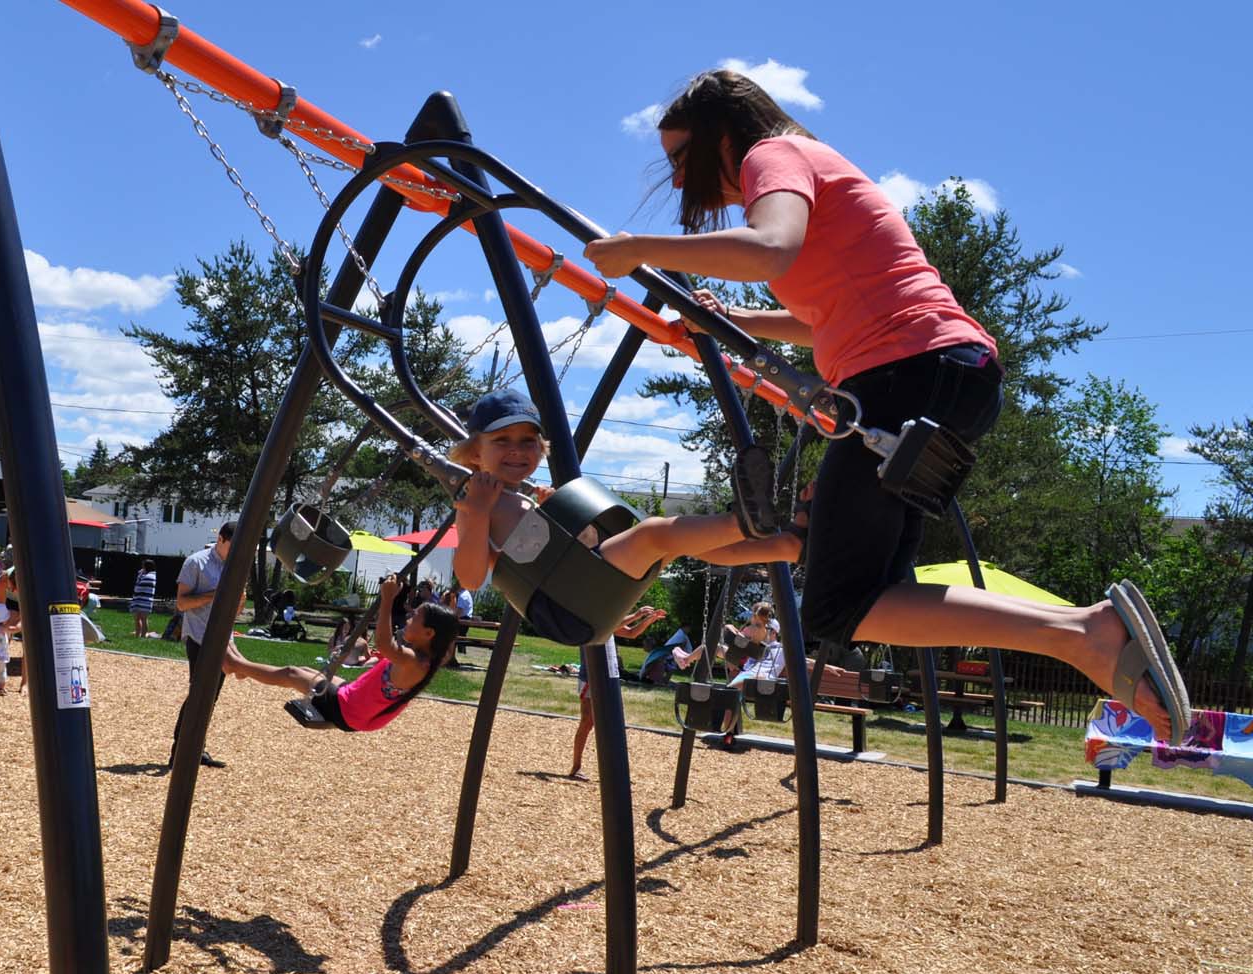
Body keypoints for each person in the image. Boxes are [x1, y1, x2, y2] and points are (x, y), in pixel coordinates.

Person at [579, 67, 1189, 740]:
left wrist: (638, 251)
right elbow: (823, 319)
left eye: (681, 160)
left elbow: (769, 249)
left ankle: (1081, 632)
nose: (677, 180)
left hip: (902, 376)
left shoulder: (769, 155)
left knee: (838, 607)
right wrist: (744, 321)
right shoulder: (818, 168)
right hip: (956, 373)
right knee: (879, 592)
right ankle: (1078, 633)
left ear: (723, 136)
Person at [451, 389, 793, 643]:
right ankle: (743, 520)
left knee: (680, 543)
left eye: (528, 441)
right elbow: (469, 577)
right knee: (652, 534)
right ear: (475, 454)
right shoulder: (476, 503)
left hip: (581, 590)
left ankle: (785, 546)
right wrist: (478, 513)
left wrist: (557, 516)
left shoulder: (519, 499)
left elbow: (567, 550)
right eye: (501, 440)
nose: (516, 449)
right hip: (563, 607)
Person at [222, 575, 460, 733]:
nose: (408, 619)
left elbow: (385, 644)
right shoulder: (429, 658)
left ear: (429, 633)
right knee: (308, 672)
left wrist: (388, 598)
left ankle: (236, 665)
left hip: (349, 710)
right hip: (353, 699)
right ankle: (244, 669)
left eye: (414, 617)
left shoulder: (415, 662)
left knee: (292, 673)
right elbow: (447, 639)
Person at [168, 521, 239, 770]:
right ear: (221, 539)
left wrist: (237, 600)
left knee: (211, 698)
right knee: (199, 695)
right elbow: (181, 604)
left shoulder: (236, 566)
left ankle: (196, 749)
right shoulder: (195, 562)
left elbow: (236, 610)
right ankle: (180, 751)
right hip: (199, 638)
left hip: (223, 641)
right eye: (234, 543)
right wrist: (215, 594)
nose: (238, 548)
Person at [568, 605, 666, 780]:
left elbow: (631, 633)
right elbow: (608, 627)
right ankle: (576, 767)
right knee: (587, 722)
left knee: (609, 723)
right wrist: (636, 615)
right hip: (590, 677)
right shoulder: (592, 620)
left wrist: (648, 619)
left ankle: (612, 770)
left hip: (607, 676)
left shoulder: (606, 620)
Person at [675, 601, 775, 671]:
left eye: (752, 614)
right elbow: (744, 640)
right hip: (740, 655)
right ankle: (687, 658)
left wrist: (730, 628)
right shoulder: (762, 629)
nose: (751, 616)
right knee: (710, 647)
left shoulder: (755, 629)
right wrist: (733, 629)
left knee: (709, 647)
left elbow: (741, 641)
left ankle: (685, 660)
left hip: (739, 657)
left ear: (756, 615)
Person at [130, 558, 158, 638]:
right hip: (138, 599)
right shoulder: (142, 574)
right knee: (137, 619)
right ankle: (137, 634)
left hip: (146, 600)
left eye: (143, 565)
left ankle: (143, 635)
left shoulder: (152, 576)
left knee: (144, 619)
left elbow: (141, 583)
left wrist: (141, 574)